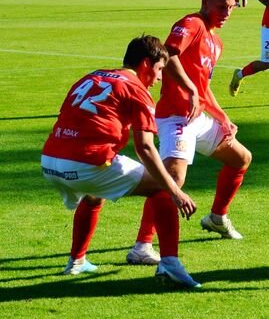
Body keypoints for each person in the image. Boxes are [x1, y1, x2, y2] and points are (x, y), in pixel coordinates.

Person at [40, 35, 201, 289]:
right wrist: (175, 191)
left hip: (49, 160)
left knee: (95, 193)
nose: (160, 78)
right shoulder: (136, 88)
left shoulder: (91, 76)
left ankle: (76, 261)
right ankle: (170, 264)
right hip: (83, 164)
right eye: (159, 70)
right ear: (147, 64)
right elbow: (145, 148)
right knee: (161, 187)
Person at [127, 0, 252, 263]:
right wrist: (191, 89)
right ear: (205, 2)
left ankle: (217, 217)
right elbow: (168, 55)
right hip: (175, 117)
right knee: (173, 178)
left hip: (197, 117)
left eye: (230, 8)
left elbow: (203, 85)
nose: (226, 13)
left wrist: (223, 117)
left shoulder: (216, 41)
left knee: (241, 158)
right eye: (221, 6)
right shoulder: (192, 24)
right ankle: (141, 247)